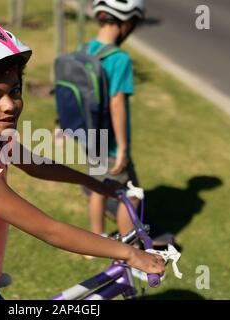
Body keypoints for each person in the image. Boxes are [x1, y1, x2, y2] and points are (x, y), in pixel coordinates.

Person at [0, 22, 164, 300]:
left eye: (14, 92)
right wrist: (131, 253)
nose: (10, 105)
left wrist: (94, 183)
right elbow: (50, 231)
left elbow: (37, 165)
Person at [84, 0, 146, 243]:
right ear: (127, 21)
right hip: (109, 143)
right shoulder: (120, 59)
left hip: (90, 137)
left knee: (98, 189)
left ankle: (94, 241)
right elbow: (117, 102)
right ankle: (126, 247)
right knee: (132, 194)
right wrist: (122, 148)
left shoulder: (87, 49)